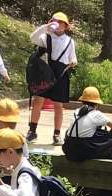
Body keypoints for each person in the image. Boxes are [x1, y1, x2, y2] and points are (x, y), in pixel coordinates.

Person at [27, 12, 77, 145]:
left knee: (58, 106)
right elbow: (32, 38)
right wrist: (45, 27)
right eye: (55, 21)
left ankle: (57, 134)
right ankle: (32, 131)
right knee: (38, 101)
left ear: (65, 26)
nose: (58, 24)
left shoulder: (70, 41)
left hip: (61, 74)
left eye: (61, 22)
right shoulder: (46, 37)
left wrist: (73, 62)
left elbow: (73, 58)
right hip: (46, 73)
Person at [63, 86, 112, 162]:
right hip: (83, 150)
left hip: (69, 148)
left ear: (82, 101)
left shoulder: (76, 111)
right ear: (96, 104)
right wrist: (110, 134)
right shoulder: (96, 114)